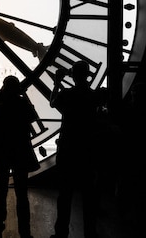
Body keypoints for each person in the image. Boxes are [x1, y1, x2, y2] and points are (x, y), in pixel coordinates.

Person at [49, 61, 107, 238]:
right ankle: (90, 232)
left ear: (73, 75)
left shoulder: (67, 95)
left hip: (68, 149)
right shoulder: (93, 96)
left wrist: (57, 82)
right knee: (89, 196)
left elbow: (53, 103)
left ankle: (61, 233)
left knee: (65, 195)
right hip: (87, 150)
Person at [0, 75, 40, 238]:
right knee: (22, 195)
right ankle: (25, 231)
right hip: (20, 153)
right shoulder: (22, 103)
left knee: (0, 193)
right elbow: (33, 116)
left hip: (1, 152)